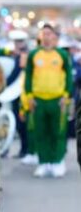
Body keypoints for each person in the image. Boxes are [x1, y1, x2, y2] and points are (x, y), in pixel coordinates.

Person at [25, 23, 73, 178]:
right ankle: (44, 163)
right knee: (41, 131)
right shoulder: (34, 55)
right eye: (43, 34)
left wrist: (66, 96)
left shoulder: (62, 55)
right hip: (39, 100)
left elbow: (69, 78)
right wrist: (30, 97)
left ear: (54, 36)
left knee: (58, 132)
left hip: (57, 100)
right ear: (40, 36)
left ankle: (57, 162)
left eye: (49, 34)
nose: (46, 37)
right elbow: (28, 77)